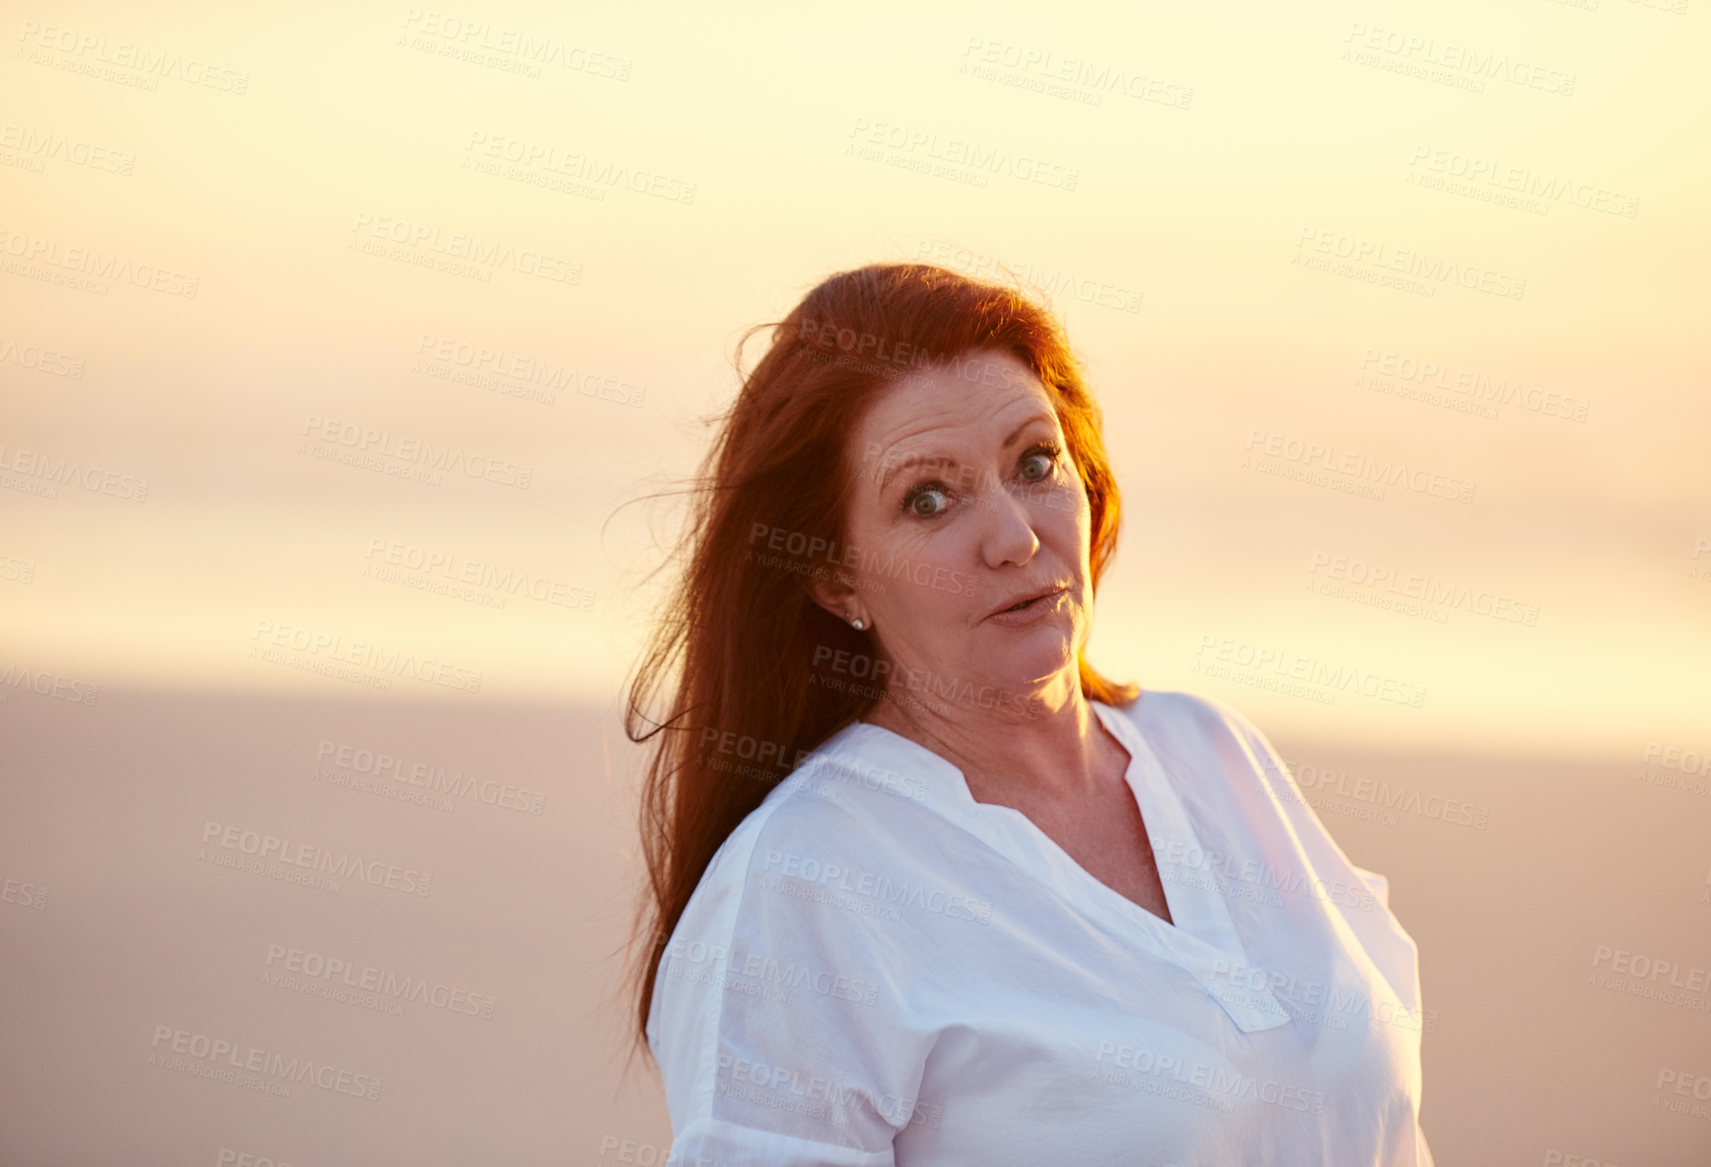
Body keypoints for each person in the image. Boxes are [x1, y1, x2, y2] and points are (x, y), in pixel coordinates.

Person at [623, 262, 1433, 1165]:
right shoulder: (800, 886)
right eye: (927, 499)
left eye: (1035, 463)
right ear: (835, 574)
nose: (1015, 537)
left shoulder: (1211, 751)